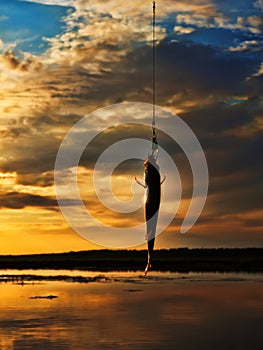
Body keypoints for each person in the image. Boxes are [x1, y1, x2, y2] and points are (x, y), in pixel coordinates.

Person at [135, 155, 166, 275]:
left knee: (150, 228)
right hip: (153, 200)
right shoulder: (154, 170)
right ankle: (149, 260)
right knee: (151, 228)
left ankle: (149, 260)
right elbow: (150, 185)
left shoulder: (150, 170)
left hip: (150, 201)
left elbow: (148, 185)